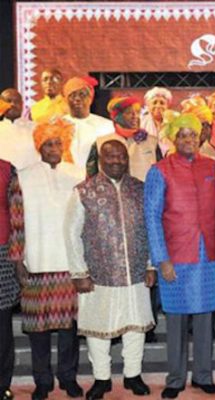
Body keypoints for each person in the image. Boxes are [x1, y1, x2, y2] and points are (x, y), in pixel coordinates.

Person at [144, 114, 215, 398]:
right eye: (183, 135)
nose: (189, 140)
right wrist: (161, 259)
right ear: (172, 138)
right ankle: (175, 379)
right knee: (177, 320)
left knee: (205, 319)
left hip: (209, 255)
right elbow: (152, 217)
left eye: (193, 135)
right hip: (175, 256)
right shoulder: (160, 170)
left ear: (200, 137)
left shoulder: (214, 168)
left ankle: (203, 376)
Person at [66, 140, 156, 399]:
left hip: (136, 272)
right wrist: (79, 273)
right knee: (98, 329)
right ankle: (102, 379)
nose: (116, 160)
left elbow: (151, 229)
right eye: (110, 156)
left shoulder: (140, 190)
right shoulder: (84, 191)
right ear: (100, 159)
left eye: (121, 156)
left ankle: (132, 375)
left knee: (136, 328)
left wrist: (151, 264)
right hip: (97, 275)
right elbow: (71, 234)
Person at [10, 119, 84, 400]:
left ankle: (68, 377)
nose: (54, 148)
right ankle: (42, 380)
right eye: (49, 143)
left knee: (69, 330)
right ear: (39, 146)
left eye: (58, 143)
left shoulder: (76, 174)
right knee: (38, 332)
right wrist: (18, 261)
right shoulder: (23, 177)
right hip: (35, 264)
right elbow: (17, 223)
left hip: (70, 264)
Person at [86, 96, 161, 181]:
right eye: (129, 113)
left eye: (137, 112)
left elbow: (162, 173)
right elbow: (91, 178)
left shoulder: (151, 142)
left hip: (145, 192)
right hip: (111, 193)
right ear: (117, 117)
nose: (135, 116)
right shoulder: (101, 142)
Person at [0, 152, 20, 400]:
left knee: (2, 326)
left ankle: (1, 382)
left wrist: (16, 255)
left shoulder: (7, 169)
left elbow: (17, 214)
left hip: (1, 251)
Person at [62, 77, 113, 169]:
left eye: (82, 94)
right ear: (65, 99)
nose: (77, 98)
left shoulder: (107, 126)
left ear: (91, 98)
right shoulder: (56, 125)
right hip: (65, 178)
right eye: (72, 95)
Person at [0, 90, 39, 171]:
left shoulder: (36, 128)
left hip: (30, 178)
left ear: (22, 104)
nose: (12, 104)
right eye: (8, 101)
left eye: (16, 101)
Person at [141, 87, 172, 155]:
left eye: (162, 103)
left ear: (167, 105)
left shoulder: (173, 121)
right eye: (154, 102)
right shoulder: (141, 122)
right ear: (148, 105)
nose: (158, 106)